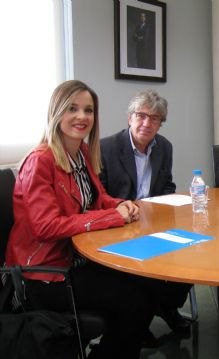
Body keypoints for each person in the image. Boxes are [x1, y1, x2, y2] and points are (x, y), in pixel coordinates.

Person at [4, 80, 153, 358]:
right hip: (44, 275)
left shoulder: (81, 152)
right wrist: (112, 216)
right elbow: (46, 226)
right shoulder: (41, 161)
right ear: (56, 112)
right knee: (135, 301)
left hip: (76, 257)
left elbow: (96, 198)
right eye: (72, 108)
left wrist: (122, 204)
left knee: (146, 280)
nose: (82, 116)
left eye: (89, 110)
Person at [100, 89, 192, 344]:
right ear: (129, 118)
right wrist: (125, 209)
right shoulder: (106, 147)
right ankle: (145, 317)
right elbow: (100, 195)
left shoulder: (164, 147)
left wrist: (166, 204)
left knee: (193, 249)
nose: (147, 123)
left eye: (155, 119)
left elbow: (166, 186)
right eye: (141, 116)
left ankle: (166, 306)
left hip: (154, 221)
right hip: (119, 225)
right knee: (142, 267)